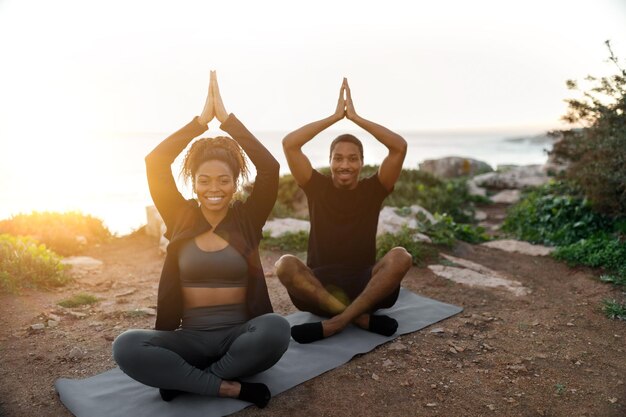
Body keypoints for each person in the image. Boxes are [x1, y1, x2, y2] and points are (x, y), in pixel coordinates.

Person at [112, 71, 290, 408]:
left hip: (240, 337)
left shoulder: (248, 219)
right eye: (204, 180)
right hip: (188, 339)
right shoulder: (179, 216)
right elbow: (156, 162)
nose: (213, 189)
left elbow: (269, 168)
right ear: (193, 182)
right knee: (125, 345)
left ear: (236, 182)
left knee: (277, 329)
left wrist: (227, 121)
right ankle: (227, 387)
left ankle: (189, 380)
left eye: (224, 180)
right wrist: (199, 122)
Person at [275, 78, 413, 344]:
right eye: (338, 158)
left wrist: (356, 118)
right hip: (318, 287)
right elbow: (290, 144)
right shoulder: (316, 186)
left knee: (401, 257)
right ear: (329, 162)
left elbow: (399, 147)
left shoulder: (374, 188)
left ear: (362, 163)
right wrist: (335, 117)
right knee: (284, 264)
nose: (345, 165)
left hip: (367, 286)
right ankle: (359, 318)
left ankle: (336, 322)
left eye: (352, 158)